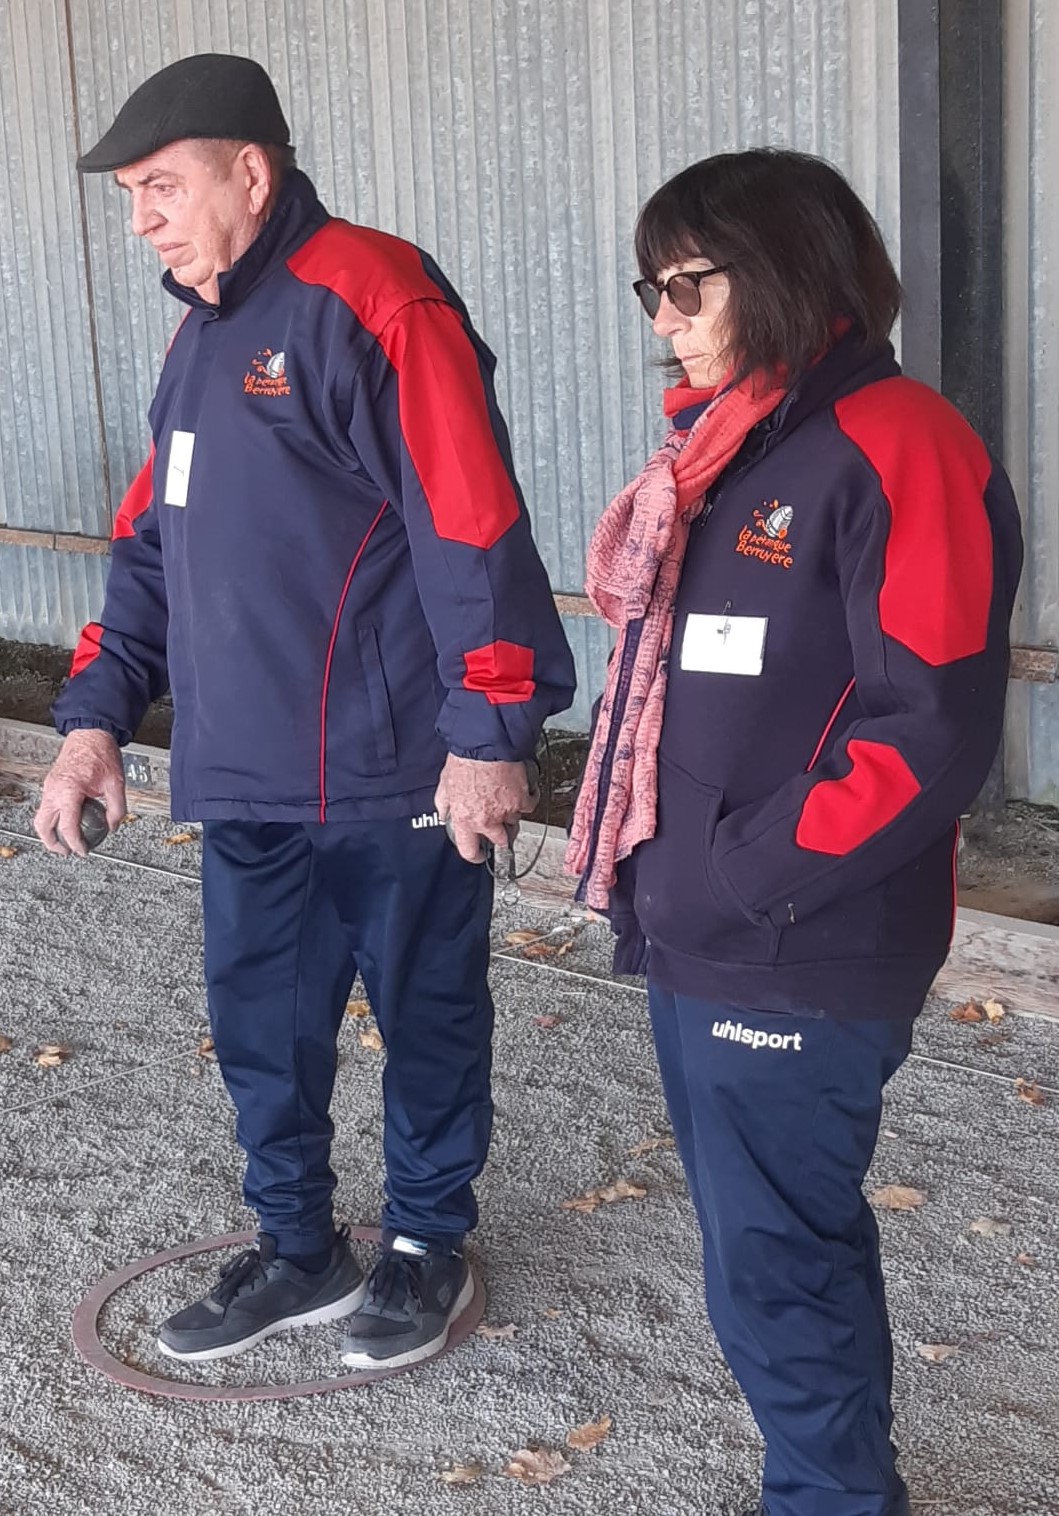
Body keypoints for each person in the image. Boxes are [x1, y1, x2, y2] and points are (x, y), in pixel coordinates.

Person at [35, 53, 575, 1371]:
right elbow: (148, 548)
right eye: (131, 196)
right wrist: (95, 717)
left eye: (161, 185)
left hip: (394, 770)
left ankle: (427, 1246)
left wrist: (491, 730)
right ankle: (296, 1250)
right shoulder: (200, 336)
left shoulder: (375, 299)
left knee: (427, 1011)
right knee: (261, 1028)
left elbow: (470, 523)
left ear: (251, 172)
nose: (142, 218)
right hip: (245, 775)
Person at [566, 149, 1022, 1516]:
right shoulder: (738, 447)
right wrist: (689, 876)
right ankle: (835, 1481)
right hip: (708, 924)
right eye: (652, 285)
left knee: (774, 1252)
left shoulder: (899, 445)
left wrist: (749, 872)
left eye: (686, 281)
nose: (662, 313)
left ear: (776, 271)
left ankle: (829, 1497)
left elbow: (930, 725)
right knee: (772, 1241)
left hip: (795, 937)